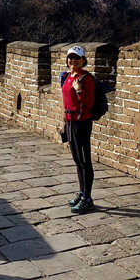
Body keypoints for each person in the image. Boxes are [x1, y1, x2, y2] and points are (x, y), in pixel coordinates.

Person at [60, 46, 96, 214]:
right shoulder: (67, 76)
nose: (72, 60)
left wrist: (79, 90)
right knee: (76, 159)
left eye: (76, 58)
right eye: (70, 57)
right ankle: (82, 194)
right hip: (70, 122)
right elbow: (65, 101)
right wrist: (63, 122)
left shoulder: (86, 78)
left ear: (83, 60)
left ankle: (88, 199)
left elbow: (90, 103)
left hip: (82, 123)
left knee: (84, 161)